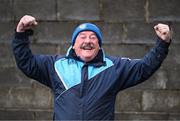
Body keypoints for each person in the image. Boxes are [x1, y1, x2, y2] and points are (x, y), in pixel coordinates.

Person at [12, 15, 171, 120]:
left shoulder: (114, 67)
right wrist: (20, 34)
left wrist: (162, 43)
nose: (87, 41)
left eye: (93, 37)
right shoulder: (56, 65)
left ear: (99, 45)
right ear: (74, 45)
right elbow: (27, 63)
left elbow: (144, 68)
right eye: (82, 37)